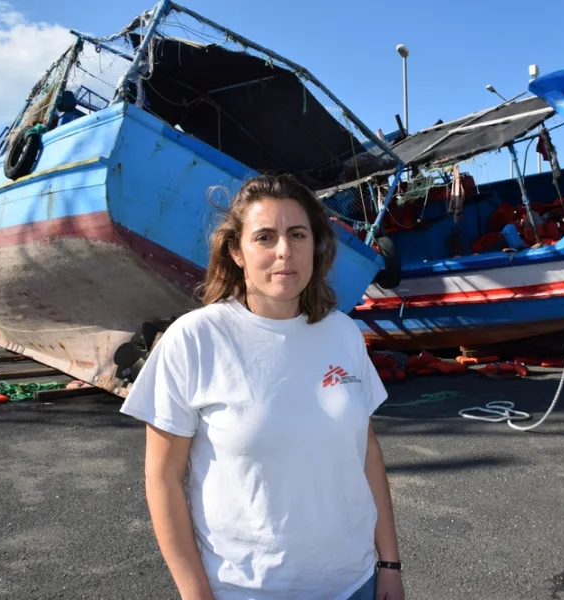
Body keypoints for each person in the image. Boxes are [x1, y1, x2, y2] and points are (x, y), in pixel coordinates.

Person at [119, 173, 405, 600]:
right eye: (265, 237)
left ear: (316, 245)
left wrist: (389, 565)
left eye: (297, 234)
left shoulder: (343, 333)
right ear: (236, 250)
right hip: (248, 590)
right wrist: (195, 594)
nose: (284, 251)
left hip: (355, 583)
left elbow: (367, 454)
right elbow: (162, 477)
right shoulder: (195, 339)